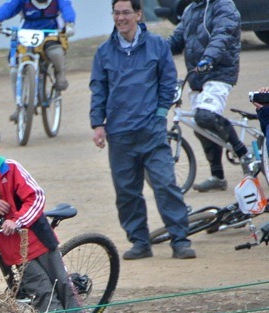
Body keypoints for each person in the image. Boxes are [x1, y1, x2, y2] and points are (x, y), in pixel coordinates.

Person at [90, 0, 197, 260]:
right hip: (119, 134)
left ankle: (180, 241)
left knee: (165, 185)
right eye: (116, 13)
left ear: (139, 14)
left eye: (126, 12)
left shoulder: (158, 46)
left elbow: (168, 82)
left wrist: (160, 114)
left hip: (151, 131)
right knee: (127, 192)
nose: (121, 18)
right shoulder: (104, 52)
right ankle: (140, 243)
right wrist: (97, 124)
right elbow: (98, 90)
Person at [0, 124, 91, 313]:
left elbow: (36, 196)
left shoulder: (11, 168)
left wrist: (17, 220)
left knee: (63, 284)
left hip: (38, 238)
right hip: (14, 248)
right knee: (42, 291)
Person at [167, 0, 252, 192]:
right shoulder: (190, 10)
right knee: (200, 126)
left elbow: (222, 35)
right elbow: (176, 40)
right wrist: (152, 51)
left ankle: (244, 154)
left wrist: (210, 58)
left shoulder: (224, 6)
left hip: (219, 72)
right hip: (197, 76)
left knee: (204, 115)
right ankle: (217, 177)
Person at [0, 0, 76, 121]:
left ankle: (60, 73)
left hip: (50, 34)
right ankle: (19, 105)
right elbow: (9, 7)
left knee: (55, 50)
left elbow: (67, 8)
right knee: (15, 69)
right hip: (26, 35)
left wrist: (69, 23)